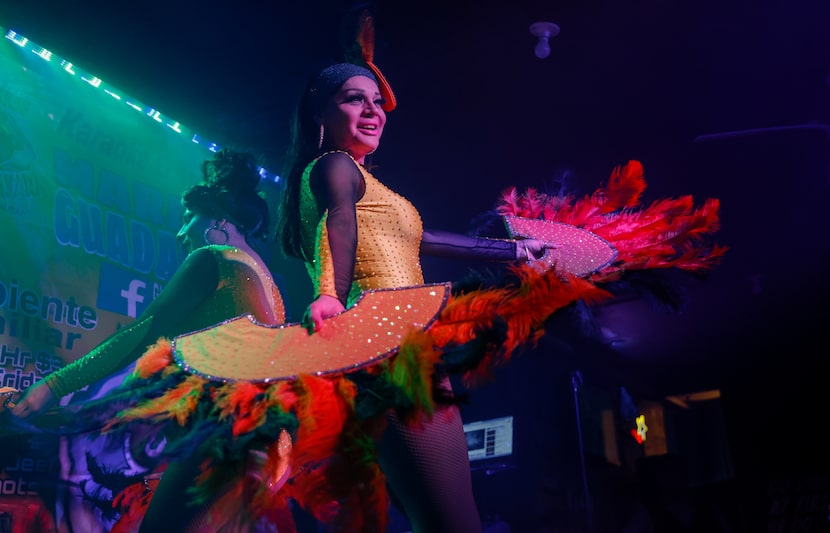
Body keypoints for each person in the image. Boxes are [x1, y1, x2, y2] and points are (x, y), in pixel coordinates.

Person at [275, 58, 555, 533]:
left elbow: (425, 240)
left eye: (378, 102)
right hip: (387, 350)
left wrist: (516, 249)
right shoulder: (334, 166)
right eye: (354, 99)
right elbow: (337, 222)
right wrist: (330, 295)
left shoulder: (360, 181)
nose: (373, 110)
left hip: (391, 350)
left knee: (439, 517)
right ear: (318, 112)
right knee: (452, 522)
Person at [8, 147, 287, 532]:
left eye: (189, 218)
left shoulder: (214, 257)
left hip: (225, 433)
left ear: (219, 222)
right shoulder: (269, 284)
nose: (179, 232)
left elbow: (141, 337)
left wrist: (53, 386)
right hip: (267, 444)